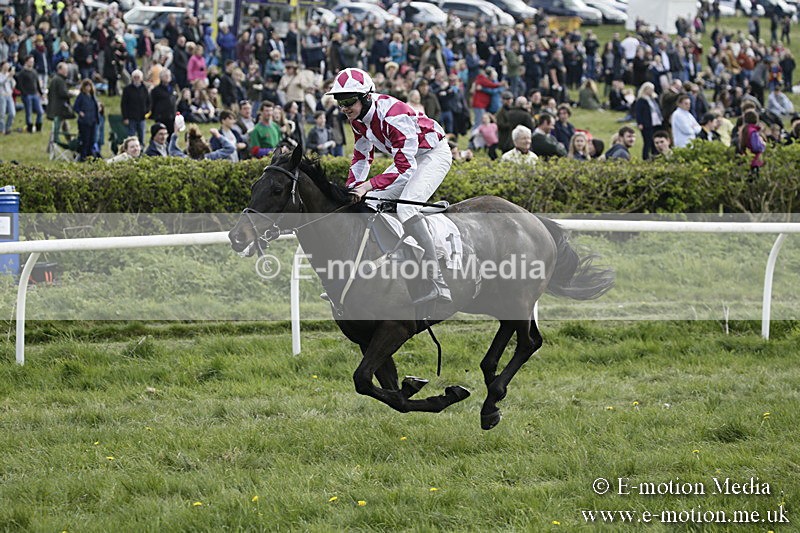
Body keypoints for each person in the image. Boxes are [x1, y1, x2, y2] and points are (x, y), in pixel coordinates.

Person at [328, 67, 452, 305]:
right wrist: (352, 188)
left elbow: (405, 167)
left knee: (406, 208)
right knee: (369, 202)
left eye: (349, 101)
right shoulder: (358, 119)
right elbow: (361, 157)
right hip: (409, 158)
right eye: (340, 102)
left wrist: (367, 185)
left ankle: (437, 280)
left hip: (433, 155)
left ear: (366, 97)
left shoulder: (393, 115)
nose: (344, 108)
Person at [633, 82, 664, 160]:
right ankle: (645, 157)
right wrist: (640, 123)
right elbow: (638, 112)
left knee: (656, 140)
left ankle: (656, 155)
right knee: (648, 141)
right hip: (647, 123)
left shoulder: (654, 98)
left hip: (656, 122)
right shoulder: (641, 100)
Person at [169, 125, 235, 160]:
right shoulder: (211, 157)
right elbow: (230, 148)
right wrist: (218, 135)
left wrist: (175, 134)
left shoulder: (186, 159)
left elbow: (172, 150)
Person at [120, 69, 150, 144]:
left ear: (141, 78)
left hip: (142, 117)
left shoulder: (145, 89)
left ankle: (141, 149)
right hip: (131, 117)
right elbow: (124, 104)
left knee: (142, 136)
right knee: (131, 137)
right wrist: (125, 117)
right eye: (135, 77)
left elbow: (149, 102)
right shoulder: (127, 89)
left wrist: (147, 112)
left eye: (138, 77)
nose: (136, 79)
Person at [15, 55, 43, 134]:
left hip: (35, 94)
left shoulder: (34, 72)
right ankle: (29, 127)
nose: (32, 63)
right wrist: (24, 93)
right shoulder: (22, 72)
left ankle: (38, 126)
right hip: (27, 95)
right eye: (30, 61)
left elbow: (37, 83)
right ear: (26, 62)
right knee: (28, 112)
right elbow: (19, 85)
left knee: (40, 111)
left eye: (32, 62)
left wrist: (41, 93)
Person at [46, 62, 73, 134]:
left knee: (64, 125)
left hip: (56, 107)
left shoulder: (56, 79)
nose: (66, 71)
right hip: (59, 108)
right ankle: (53, 140)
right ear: (59, 70)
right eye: (65, 69)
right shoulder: (59, 80)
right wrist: (71, 94)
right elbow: (63, 93)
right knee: (57, 127)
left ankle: (69, 139)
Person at [738, 109, 765, 175]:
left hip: (748, 160)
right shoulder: (753, 132)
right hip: (755, 161)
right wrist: (763, 145)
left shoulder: (745, 130)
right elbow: (756, 147)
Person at [0, 61, 15, 135]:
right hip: (2, 95)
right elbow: (1, 83)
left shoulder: (8, 75)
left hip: (9, 95)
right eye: (6, 65)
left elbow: (13, 85)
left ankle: (7, 128)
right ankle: (1, 129)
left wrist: (11, 78)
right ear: (2, 66)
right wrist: (8, 77)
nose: (8, 67)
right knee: (2, 114)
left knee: (12, 113)